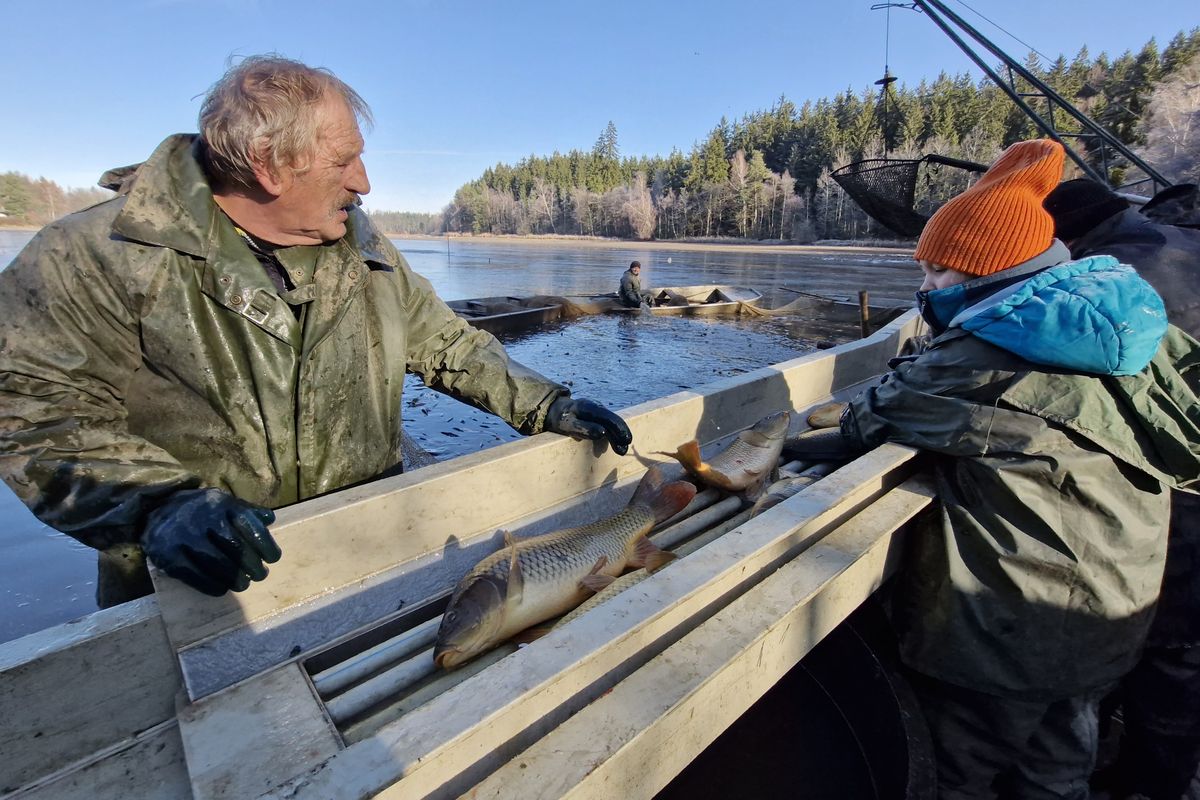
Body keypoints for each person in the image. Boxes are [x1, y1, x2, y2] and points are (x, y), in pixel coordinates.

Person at [0, 55, 632, 606]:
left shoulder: (364, 245)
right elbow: (32, 409)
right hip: (203, 584)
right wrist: (155, 506)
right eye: (344, 161)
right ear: (267, 166)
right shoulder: (97, 252)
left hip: (363, 553)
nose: (364, 182)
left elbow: (447, 342)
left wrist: (547, 402)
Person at [789, 139, 1200, 798]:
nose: (923, 287)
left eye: (937, 273)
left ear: (985, 276)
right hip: (1117, 614)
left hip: (1009, 639)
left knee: (955, 775)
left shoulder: (977, 361)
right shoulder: (1127, 321)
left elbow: (875, 416)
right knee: (1060, 768)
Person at [1045, 177, 1200, 800]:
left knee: (1158, 642)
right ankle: (1157, 779)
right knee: (1183, 655)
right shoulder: (1174, 247)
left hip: (1167, 493)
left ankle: (1136, 780)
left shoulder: (1111, 275)